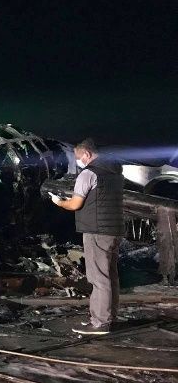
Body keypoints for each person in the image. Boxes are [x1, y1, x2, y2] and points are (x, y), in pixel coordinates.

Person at [51, 138, 124, 334]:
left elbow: (75, 204)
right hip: (114, 229)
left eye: (79, 158)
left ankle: (100, 323)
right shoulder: (115, 173)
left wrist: (59, 202)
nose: (78, 162)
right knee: (110, 276)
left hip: (96, 231)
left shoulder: (89, 173)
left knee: (98, 278)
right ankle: (108, 317)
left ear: (87, 154)